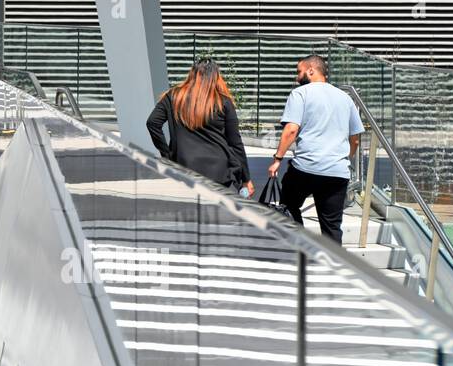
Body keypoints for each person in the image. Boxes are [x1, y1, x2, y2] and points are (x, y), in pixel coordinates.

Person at [267, 54, 364, 244]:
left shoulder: (300, 94)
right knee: (332, 226)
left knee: (288, 205)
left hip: (305, 168)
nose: (297, 77)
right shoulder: (345, 98)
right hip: (337, 172)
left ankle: (300, 247)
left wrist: (277, 159)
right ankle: (334, 267)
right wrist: (345, 158)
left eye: (299, 71)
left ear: (311, 70)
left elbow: (291, 129)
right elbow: (355, 139)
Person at [146, 59, 254, 196]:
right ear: (216, 77)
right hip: (219, 171)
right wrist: (246, 179)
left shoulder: (173, 96)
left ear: (192, 74)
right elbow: (235, 142)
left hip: (185, 166)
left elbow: (152, 123)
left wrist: (167, 155)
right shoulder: (223, 102)